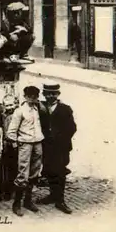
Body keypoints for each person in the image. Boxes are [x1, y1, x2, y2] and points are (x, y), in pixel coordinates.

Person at [39, 83, 77, 214]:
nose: (50, 96)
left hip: (61, 147)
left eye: (53, 93)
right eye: (47, 93)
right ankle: (52, 195)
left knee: (60, 172)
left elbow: (72, 128)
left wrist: (59, 140)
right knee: (49, 170)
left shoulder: (65, 109)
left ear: (58, 94)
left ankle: (60, 200)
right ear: (43, 94)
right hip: (46, 146)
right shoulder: (40, 107)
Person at [7, 86, 44, 216]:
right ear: (25, 96)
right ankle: (16, 203)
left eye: (35, 96)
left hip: (38, 142)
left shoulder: (37, 109)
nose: (32, 99)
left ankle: (28, 201)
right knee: (23, 173)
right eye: (30, 96)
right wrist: (17, 143)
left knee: (34, 173)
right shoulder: (20, 111)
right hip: (25, 144)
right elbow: (11, 131)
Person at [1, 95, 18, 200]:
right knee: (6, 168)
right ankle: (7, 190)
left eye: (11, 105)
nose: (9, 107)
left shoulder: (17, 115)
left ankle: (14, 190)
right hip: (5, 144)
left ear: (15, 104)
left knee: (14, 167)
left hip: (14, 144)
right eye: (7, 105)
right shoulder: (3, 116)